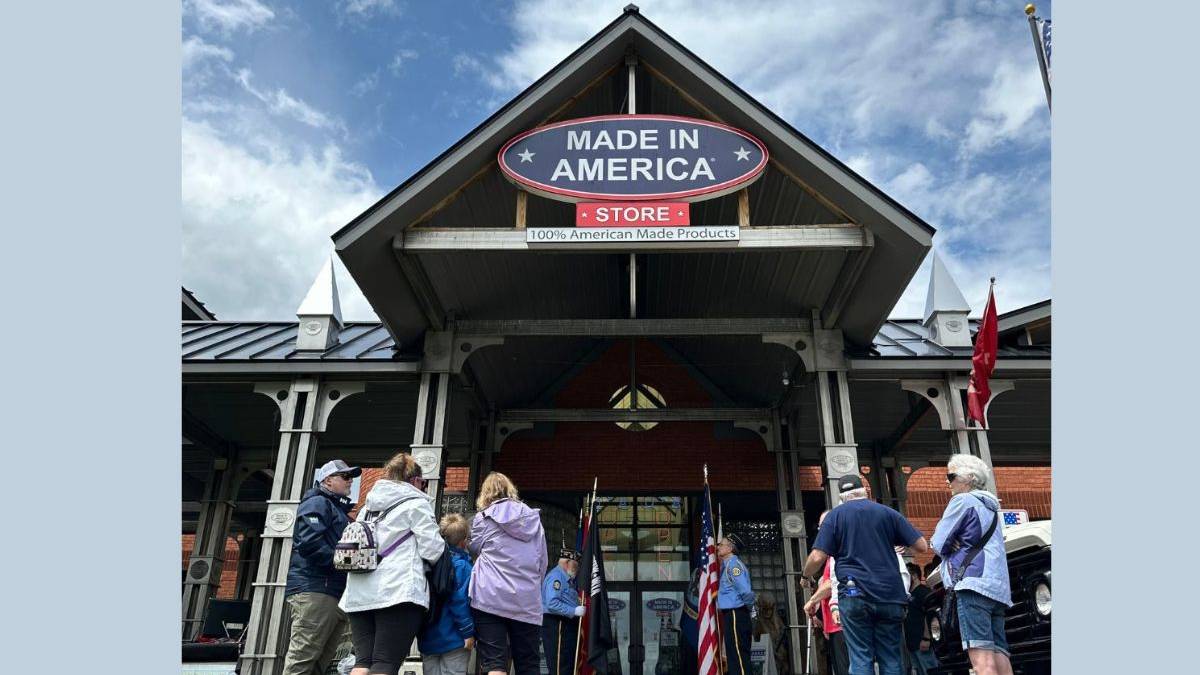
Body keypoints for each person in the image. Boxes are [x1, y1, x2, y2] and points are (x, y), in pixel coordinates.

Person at [802, 475, 929, 675]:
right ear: (865, 491)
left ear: (842, 497)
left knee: (860, 656)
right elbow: (922, 546)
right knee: (891, 656)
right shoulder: (888, 513)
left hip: (854, 594)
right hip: (890, 595)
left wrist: (805, 575)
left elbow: (818, 556)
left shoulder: (835, 516)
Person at [339, 453, 444, 675]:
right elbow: (433, 549)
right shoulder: (416, 504)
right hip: (397, 592)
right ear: (415, 480)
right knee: (385, 663)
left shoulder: (366, 508)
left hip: (358, 593)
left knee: (362, 662)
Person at [930, 454, 1012, 675]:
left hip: (972, 584)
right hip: (998, 588)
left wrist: (950, 543)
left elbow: (937, 543)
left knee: (981, 659)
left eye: (951, 476)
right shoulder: (991, 506)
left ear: (968, 478)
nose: (948, 482)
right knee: (1000, 653)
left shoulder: (962, 501)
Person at [282, 459, 360, 675]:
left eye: (351, 477)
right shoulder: (317, 503)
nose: (350, 481)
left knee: (319, 663)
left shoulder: (337, 510)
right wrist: (344, 563)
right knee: (303, 659)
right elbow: (308, 543)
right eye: (345, 477)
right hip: (315, 589)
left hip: (331, 591)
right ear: (327, 480)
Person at [468, 472, 548, 675]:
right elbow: (542, 561)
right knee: (529, 663)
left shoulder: (483, 518)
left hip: (490, 596)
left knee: (495, 662)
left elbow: (474, 549)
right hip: (526, 600)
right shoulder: (533, 519)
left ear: (485, 494)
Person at [418, 513, 477, 675]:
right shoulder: (462, 566)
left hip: (428, 636)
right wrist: (468, 632)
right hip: (454, 637)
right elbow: (460, 602)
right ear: (464, 541)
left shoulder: (428, 560)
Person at [803, 511, 848, 675]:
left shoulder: (838, 551)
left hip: (842, 623)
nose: (821, 530)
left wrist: (812, 600)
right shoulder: (831, 555)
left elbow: (831, 584)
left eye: (823, 526)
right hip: (833, 625)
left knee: (845, 668)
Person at [717, 533, 756, 675]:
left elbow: (746, 591)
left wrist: (749, 608)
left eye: (721, 544)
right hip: (733, 614)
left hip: (736, 613)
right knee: (734, 655)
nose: (718, 547)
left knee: (738, 655)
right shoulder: (727, 565)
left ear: (730, 548)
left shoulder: (733, 566)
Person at [541, 547, 584, 675]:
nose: (577, 569)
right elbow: (551, 603)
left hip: (566, 625)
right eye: (575, 565)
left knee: (568, 664)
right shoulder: (557, 577)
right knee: (560, 665)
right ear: (566, 563)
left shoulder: (567, 580)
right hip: (558, 624)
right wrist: (574, 611)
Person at [903, 563, 938, 675]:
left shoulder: (924, 592)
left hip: (923, 643)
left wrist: (926, 639)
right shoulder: (909, 595)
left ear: (913, 576)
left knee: (930, 670)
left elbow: (930, 616)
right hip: (912, 644)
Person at [751, 593, 787, 675]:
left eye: (769, 608)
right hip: (767, 657)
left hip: (780, 658)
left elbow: (782, 634)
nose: (767, 612)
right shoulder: (758, 623)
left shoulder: (777, 621)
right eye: (765, 608)